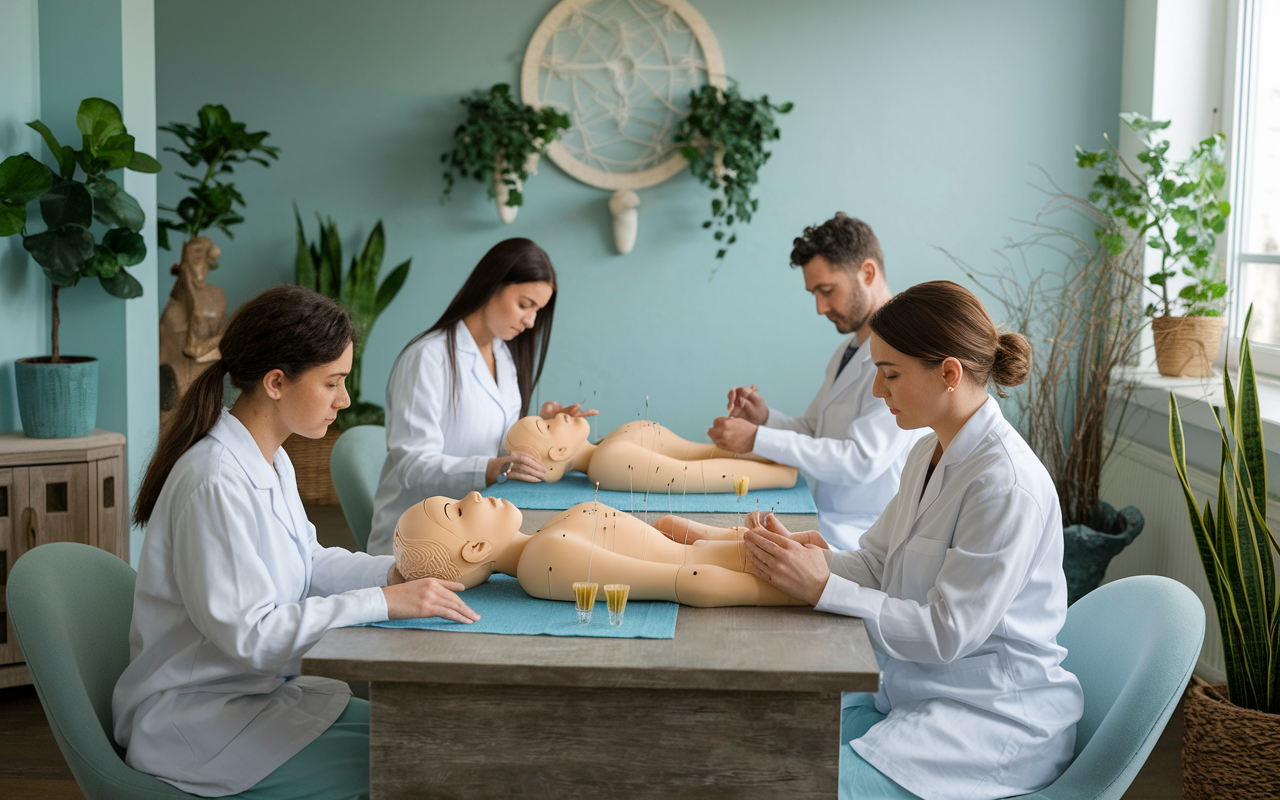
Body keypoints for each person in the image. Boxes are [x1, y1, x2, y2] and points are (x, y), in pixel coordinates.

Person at [114, 286, 479, 799]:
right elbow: (253, 635)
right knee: (413, 768)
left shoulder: (270, 457)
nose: (345, 399)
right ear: (276, 383)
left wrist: (392, 575)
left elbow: (307, 561)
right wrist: (381, 602)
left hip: (255, 698)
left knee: (430, 740)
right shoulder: (214, 480)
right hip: (198, 724)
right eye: (333, 382)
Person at [736, 281, 1083, 800]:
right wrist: (817, 561)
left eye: (889, 374)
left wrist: (820, 587)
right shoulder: (926, 453)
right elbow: (878, 564)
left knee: (800, 784)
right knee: (766, 748)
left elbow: (947, 633)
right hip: (919, 689)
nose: (879, 392)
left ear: (948, 373)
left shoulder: (1006, 485)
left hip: (991, 717)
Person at [705, 214, 923, 551]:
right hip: (831, 519)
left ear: (867, 273)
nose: (820, 307)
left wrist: (757, 439)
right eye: (814, 294)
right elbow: (814, 429)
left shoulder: (902, 356)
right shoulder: (848, 351)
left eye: (827, 290)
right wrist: (765, 419)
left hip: (867, 535)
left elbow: (860, 460)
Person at [368, 238, 596, 556]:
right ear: (491, 285)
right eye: (524, 304)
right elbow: (412, 465)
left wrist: (542, 429)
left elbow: (494, 442)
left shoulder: (503, 355)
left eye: (538, 311)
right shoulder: (428, 357)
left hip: (475, 531)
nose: (531, 321)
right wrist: (489, 469)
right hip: (418, 538)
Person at [392, 492, 805, 607]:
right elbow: (686, 581)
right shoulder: (544, 560)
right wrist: (796, 591)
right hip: (764, 568)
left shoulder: (546, 539)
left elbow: (669, 547)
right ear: (477, 548)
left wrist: (735, 536)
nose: (475, 494)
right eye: (461, 509)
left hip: (759, 553)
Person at [502, 413, 798, 492]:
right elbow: (696, 476)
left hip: (768, 456)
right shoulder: (607, 463)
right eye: (549, 425)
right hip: (775, 469)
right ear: (560, 451)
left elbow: (702, 454)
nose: (560, 416)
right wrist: (781, 472)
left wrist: (771, 449)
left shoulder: (608, 447)